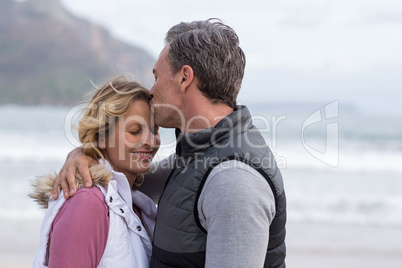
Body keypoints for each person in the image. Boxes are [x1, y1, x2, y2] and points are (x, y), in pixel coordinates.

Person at [53, 19, 287, 267]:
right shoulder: (197, 156)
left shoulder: (232, 180)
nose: (151, 90)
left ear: (184, 77)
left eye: (157, 76)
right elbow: (127, 181)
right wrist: (85, 154)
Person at [30, 76, 160, 267]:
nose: (150, 141)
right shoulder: (88, 201)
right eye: (134, 131)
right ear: (101, 137)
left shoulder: (134, 204)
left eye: (155, 130)